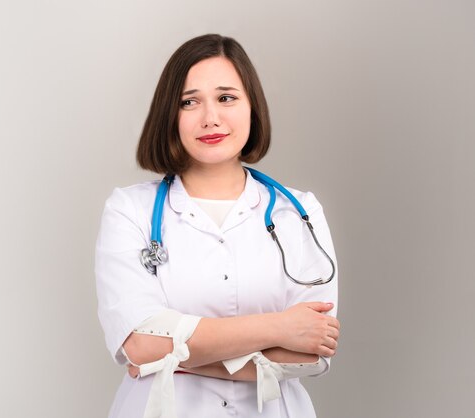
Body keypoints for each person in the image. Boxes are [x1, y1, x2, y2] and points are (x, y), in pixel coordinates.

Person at [95, 34, 339, 418]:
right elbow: (140, 345)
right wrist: (278, 327)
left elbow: (311, 354)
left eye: (226, 98)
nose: (210, 117)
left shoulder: (299, 212)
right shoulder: (130, 210)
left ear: (252, 107)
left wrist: (174, 357)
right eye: (189, 102)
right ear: (169, 115)